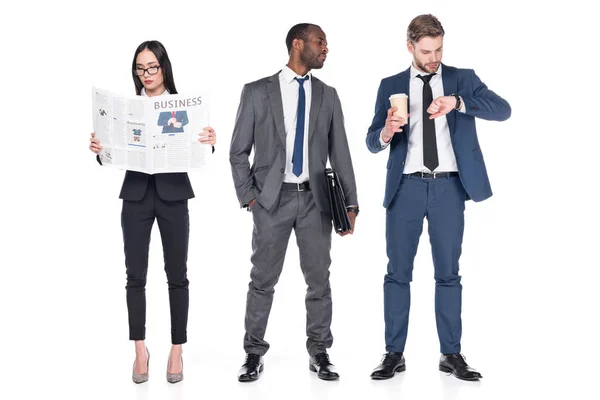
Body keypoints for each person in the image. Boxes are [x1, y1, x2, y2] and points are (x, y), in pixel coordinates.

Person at [365, 14, 511, 381]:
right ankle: (393, 353)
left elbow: (503, 109)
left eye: (439, 49)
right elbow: (371, 141)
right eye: (427, 50)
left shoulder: (463, 79)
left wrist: (459, 102)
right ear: (410, 46)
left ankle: (451, 354)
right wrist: (386, 132)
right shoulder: (391, 85)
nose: (434, 57)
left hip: (448, 188)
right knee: (397, 274)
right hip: (405, 188)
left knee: (449, 274)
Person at [229, 23, 358, 382]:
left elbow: (341, 152)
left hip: (316, 201)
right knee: (262, 280)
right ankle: (253, 353)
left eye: (327, 43)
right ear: (297, 44)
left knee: (319, 281)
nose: (325, 48)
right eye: (320, 42)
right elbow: (238, 151)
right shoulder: (257, 92)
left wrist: (351, 204)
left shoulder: (328, 95)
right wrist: (250, 198)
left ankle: (319, 352)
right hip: (272, 201)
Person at [88, 40, 217, 384]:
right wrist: (101, 149)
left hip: (173, 195)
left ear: (164, 67)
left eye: (151, 67)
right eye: (140, 69)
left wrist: (210, 141)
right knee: (135, 276)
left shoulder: (184, 105)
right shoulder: (127, 107)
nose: (146, 74)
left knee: (177, 274)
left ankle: (177, 348)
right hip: (136, 195)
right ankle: (139, 349)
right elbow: (110, 156)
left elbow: (200, 151)